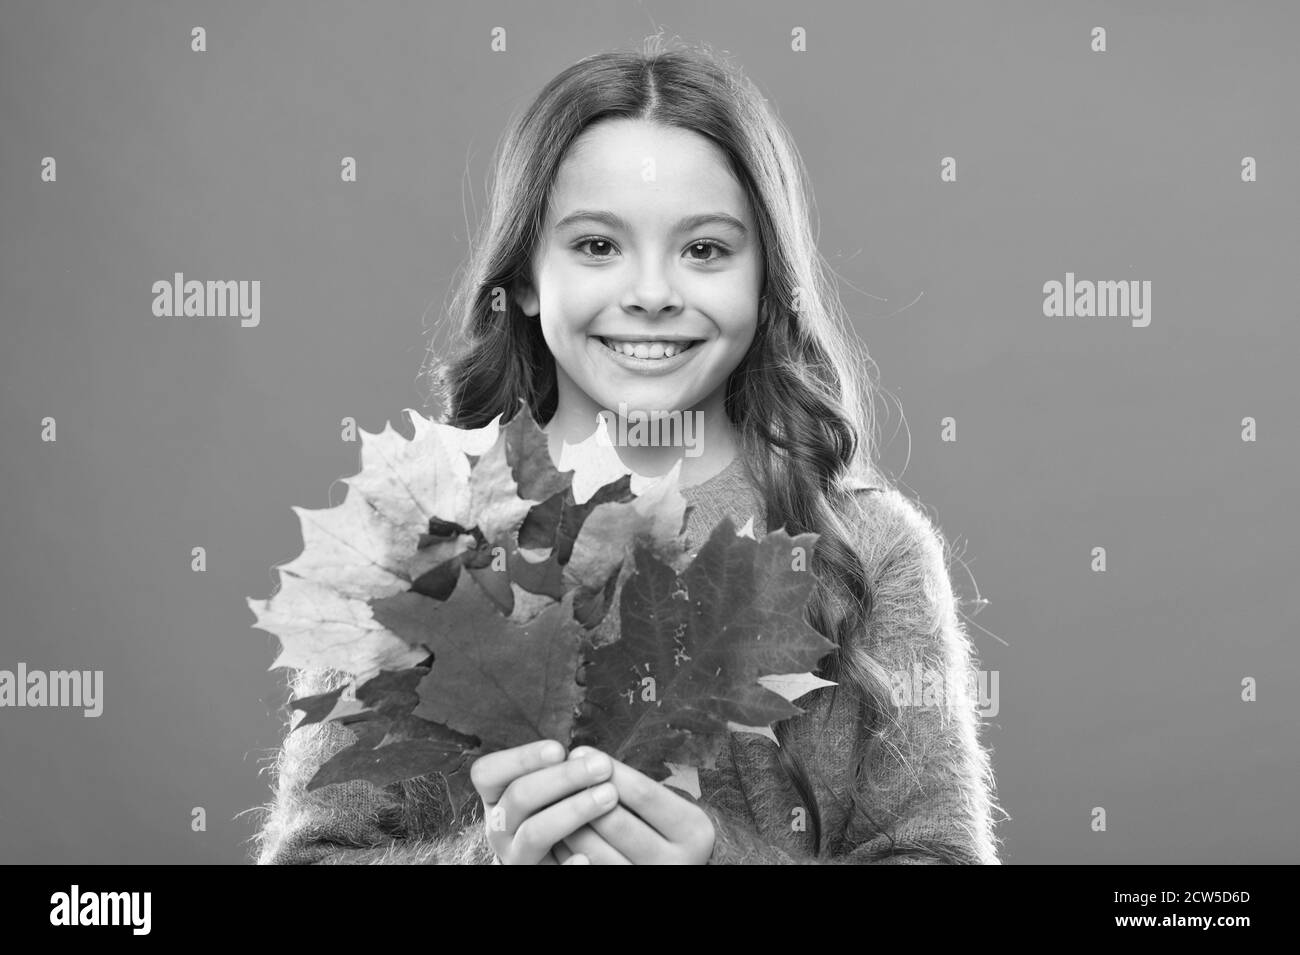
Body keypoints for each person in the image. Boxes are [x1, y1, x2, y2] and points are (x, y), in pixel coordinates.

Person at [251, 36, 1006, 865]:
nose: (651, 294)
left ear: (766, 282)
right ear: (528, 278)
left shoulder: (873, 550)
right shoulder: (419, 539)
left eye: (705, 249)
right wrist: (485, 859)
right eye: (598, 246)